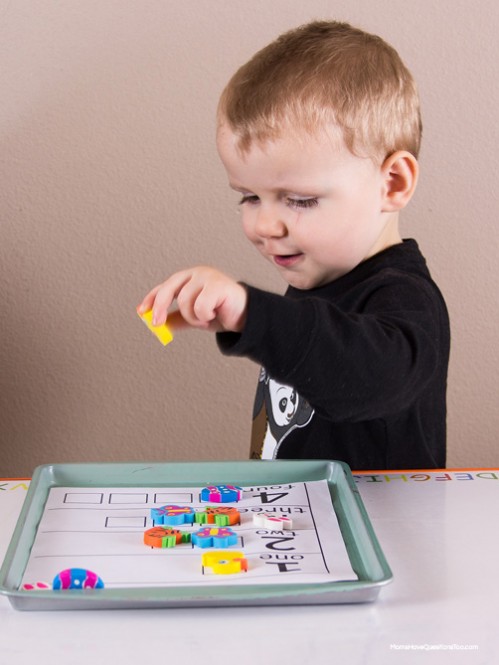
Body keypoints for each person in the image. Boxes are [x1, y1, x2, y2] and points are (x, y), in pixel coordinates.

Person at [138, 20, 450, 470]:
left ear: (392, 183)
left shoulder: (405, 297)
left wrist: (250, 312)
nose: (265, 225)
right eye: (249, 197)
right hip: (302, 529)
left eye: (300, 200)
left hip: (373, 535)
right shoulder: (319, 278)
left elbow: (365, 377)